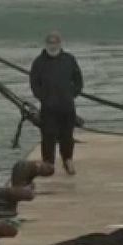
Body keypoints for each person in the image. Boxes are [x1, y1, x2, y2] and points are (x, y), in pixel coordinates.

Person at [29, 31, 83, 174]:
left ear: (60, 43)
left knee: (67, 136)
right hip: (48, 107)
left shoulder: (69, 59)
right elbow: (34, 83)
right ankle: (48, 163)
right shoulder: (39, 62)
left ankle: (68, 160)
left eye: (55, 43)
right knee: (48, 136)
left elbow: (78, 80)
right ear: (46, 44)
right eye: (50, 43)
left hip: (67, 105)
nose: (53, 46)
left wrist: (72, 93)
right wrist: (43, 97)